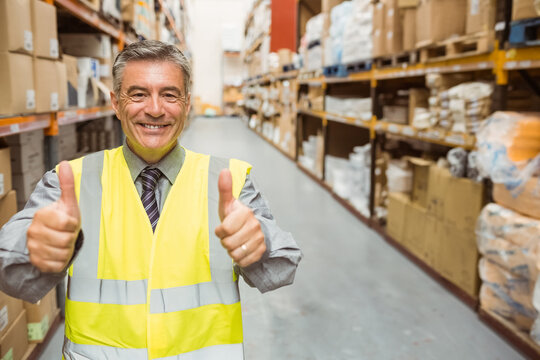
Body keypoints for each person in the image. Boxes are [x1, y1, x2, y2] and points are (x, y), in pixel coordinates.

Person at [0, 40, 302, 359]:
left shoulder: (230, 180)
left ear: (187, 104)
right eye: (139, 94)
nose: (155, 109)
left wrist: (259, 246)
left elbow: (283, 267)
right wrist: (34, 249)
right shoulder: (70, 183)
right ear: (116, 103)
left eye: (169, 94)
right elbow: (9, 268)